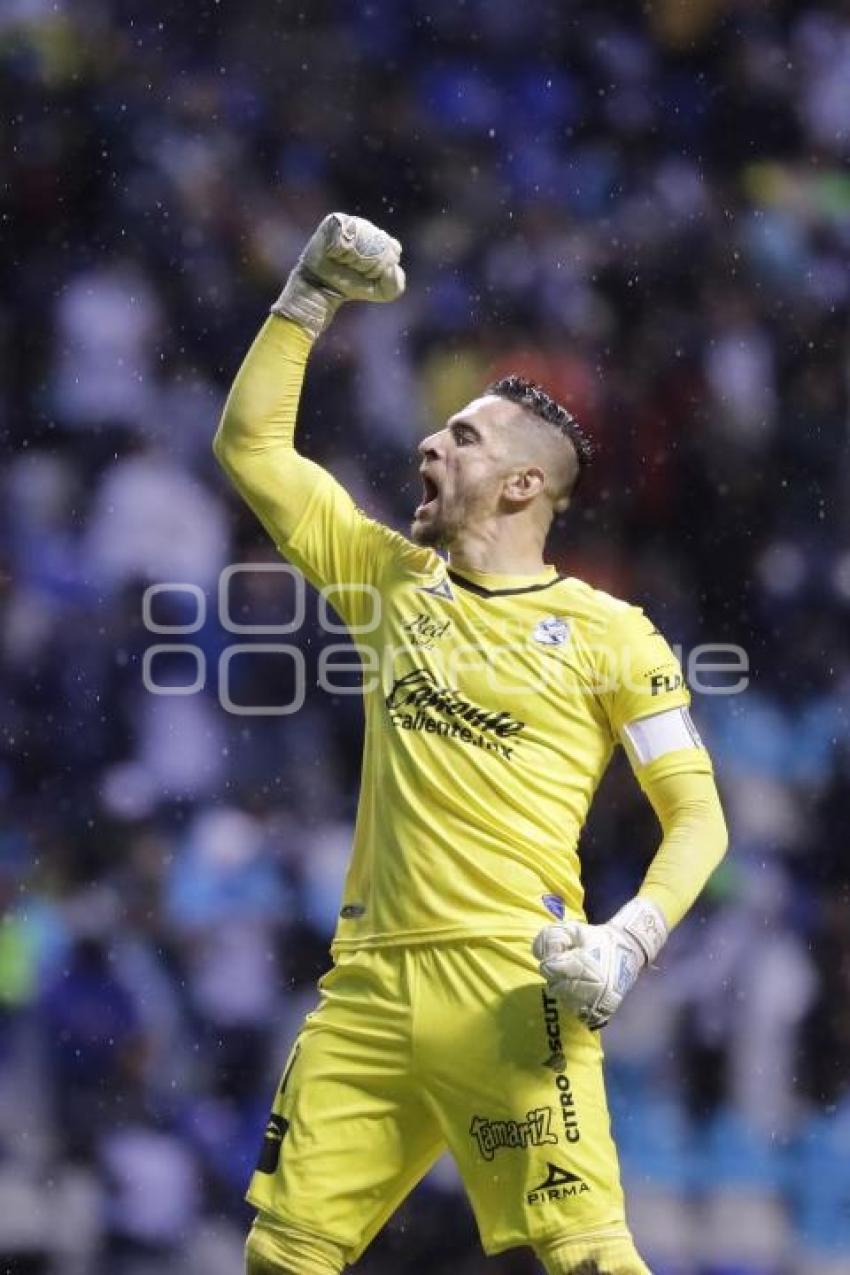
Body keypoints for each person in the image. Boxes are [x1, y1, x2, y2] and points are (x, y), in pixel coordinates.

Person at [213, 214, 728, 1275]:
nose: (428, 447)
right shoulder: (389, 581)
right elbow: (252, 449)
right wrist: (307, 296)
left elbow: (699, 817)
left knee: (588, 1262)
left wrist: (625, 942)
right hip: (365, 992)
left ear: (522, 486)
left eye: (462, 438)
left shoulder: (610, 633)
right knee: (281, 1260)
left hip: (511, 988)